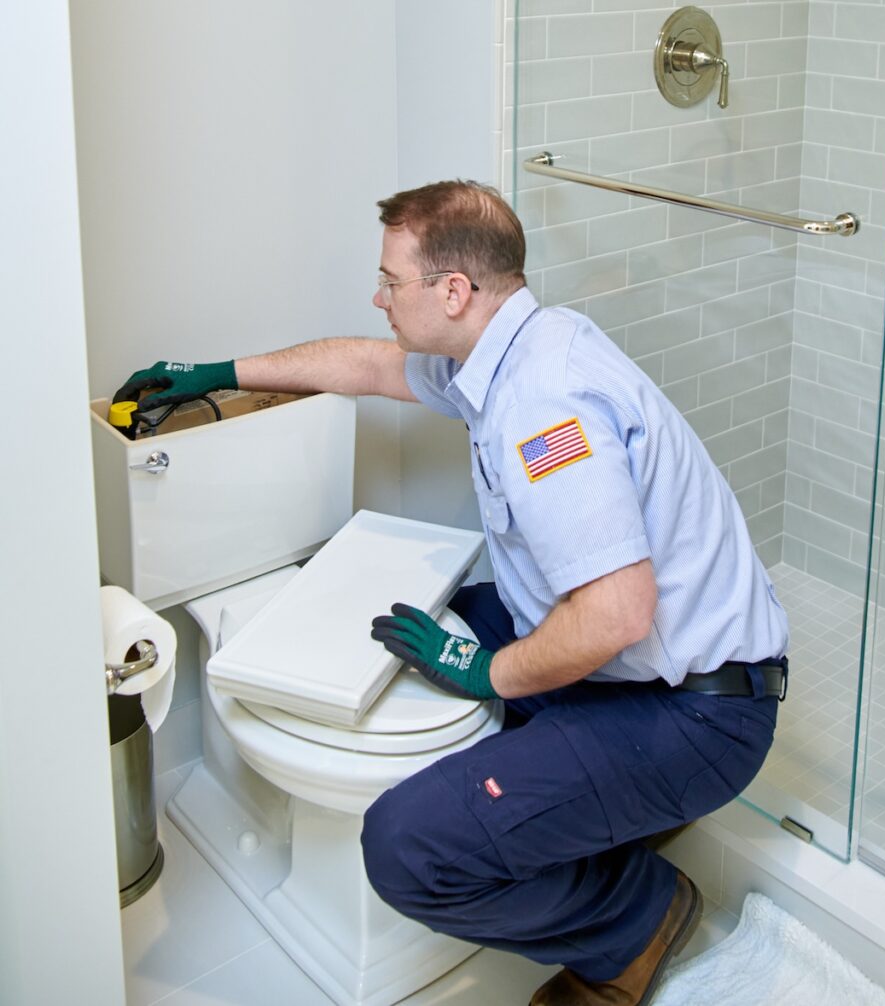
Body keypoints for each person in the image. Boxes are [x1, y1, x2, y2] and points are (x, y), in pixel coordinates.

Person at [116, 179, 789, 1006]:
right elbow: (365, 364)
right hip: (637, 672)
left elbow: (618, 613)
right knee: (412, 631)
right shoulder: (514, 347)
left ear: (454, 291)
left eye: (391, 281)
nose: (378, 297)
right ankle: (586, 816)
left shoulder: (544, 406)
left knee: (406, 846)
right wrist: (217, 371)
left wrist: (485, 673)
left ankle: (634, 919)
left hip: (694, 715)